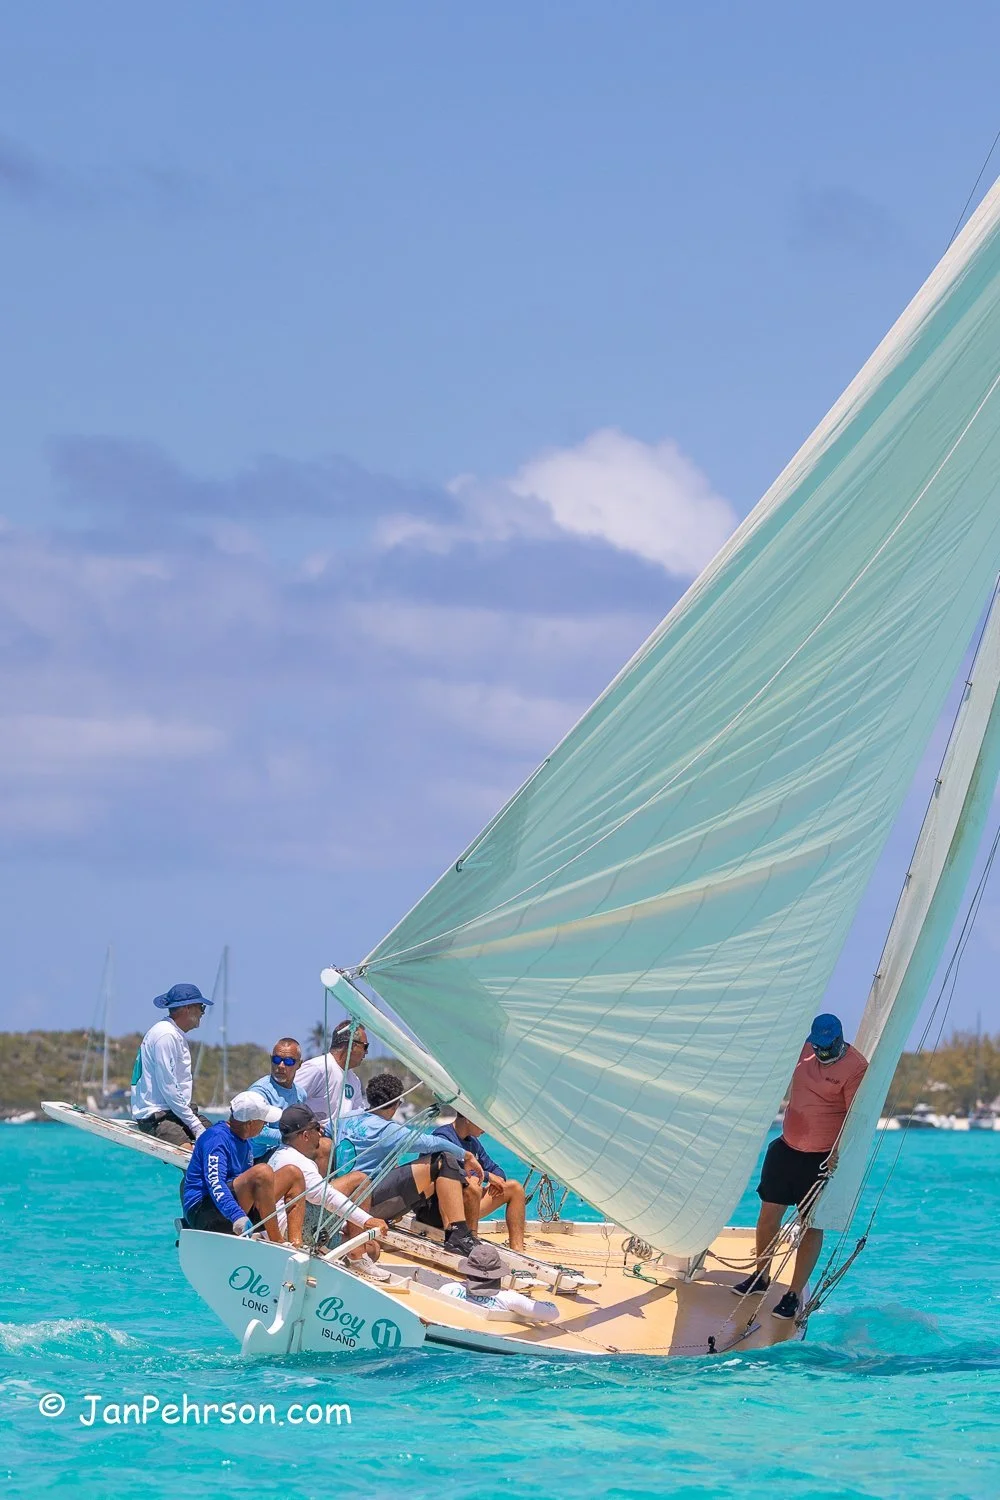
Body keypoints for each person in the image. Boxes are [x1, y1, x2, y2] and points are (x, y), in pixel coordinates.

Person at [733, 1014, 868, 1320]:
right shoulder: (805, 1047)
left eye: (827, 1048)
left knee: (811, 1224)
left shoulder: (856, 1067)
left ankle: (793, 1293)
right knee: (768, 1213)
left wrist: (839, 1152)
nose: (821, 1054)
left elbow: (856, 1117)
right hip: (787, 1146)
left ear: (839, 1040)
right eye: (817, 1047)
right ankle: (760, 1276)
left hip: (820, 1157)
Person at [337, 1073, 483, 1255]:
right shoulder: (387, 1130)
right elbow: (432, 1143)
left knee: (430, 1176)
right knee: (443, 1161)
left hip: (339, 1199)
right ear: (396, 1104)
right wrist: (466, 1155)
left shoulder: (346, 1118)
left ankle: (455, 1232)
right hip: (367, 1204)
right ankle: (457, 1234)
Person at [269, 1104, 390, 1279]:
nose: (320, 1134)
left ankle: (355, 1251)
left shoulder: (280, 1154)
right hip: (293, 1231)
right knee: (359, 1181)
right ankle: (356, 1257)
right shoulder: (299, 1163)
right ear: (305, 1135)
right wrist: (367, 1220)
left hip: (282, 1227)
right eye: (317, 1129)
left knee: (374, 1249)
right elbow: (327, 1198)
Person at [181, 1091, 307, 1245]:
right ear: (250, 1124)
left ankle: (296, 1244)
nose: (265, 1125)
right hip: (203, 1212)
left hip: (234, 1209)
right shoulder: (216, 1138)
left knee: (293, 1174)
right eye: (263, 1122)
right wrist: (236, 1215)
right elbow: (215, 1183)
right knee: (263, 1172)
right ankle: (278, 1242)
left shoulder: (245, 1142)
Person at [417, 1112, 526, 1251]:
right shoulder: (442, 1137)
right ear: (469, 1118)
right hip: (435, 1210)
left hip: (466, 1205)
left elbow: (494, 1168)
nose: (485, 1130)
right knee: (473, 1183)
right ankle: (471, 1243)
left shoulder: (473, 1142)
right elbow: (445, 1172)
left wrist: (497, 1180)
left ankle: (518, 1248)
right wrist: (486, 1176)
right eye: (483, 1124)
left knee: (514, 1188)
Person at [131, 983, 213, 1146]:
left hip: (175, 1111)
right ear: (187, 1008)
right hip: (157, 1116)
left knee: (220, 1140)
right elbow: (169, 1086)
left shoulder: (173, 1033)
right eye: (201, 1007)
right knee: (190, 1153)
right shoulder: (166, 1035)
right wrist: (195, 1125)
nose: (203, 1013)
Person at [439, 1242, 559, 1324]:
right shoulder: (510, 1298)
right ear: (497, 1275)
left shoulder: (448, 1289)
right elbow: (553, 1314)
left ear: (467, 1271)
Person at [247, 1037, 307, 1161]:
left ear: (299, 1065)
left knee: (324, 1146)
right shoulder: (259, 1091)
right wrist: (294, 1138)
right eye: (276, 1059)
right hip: (257, 1158)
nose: (280, 1066)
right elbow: (256, 1133)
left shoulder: (301, 1094)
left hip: (285, 1149)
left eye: (288, 1061)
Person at [296, 1020, 368, 1118]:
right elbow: (290, 1102)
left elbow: (358, 1117)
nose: (366, 1052)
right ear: (352, 1045)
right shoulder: (317, 1068)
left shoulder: (355, 1080)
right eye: (365, 1046)